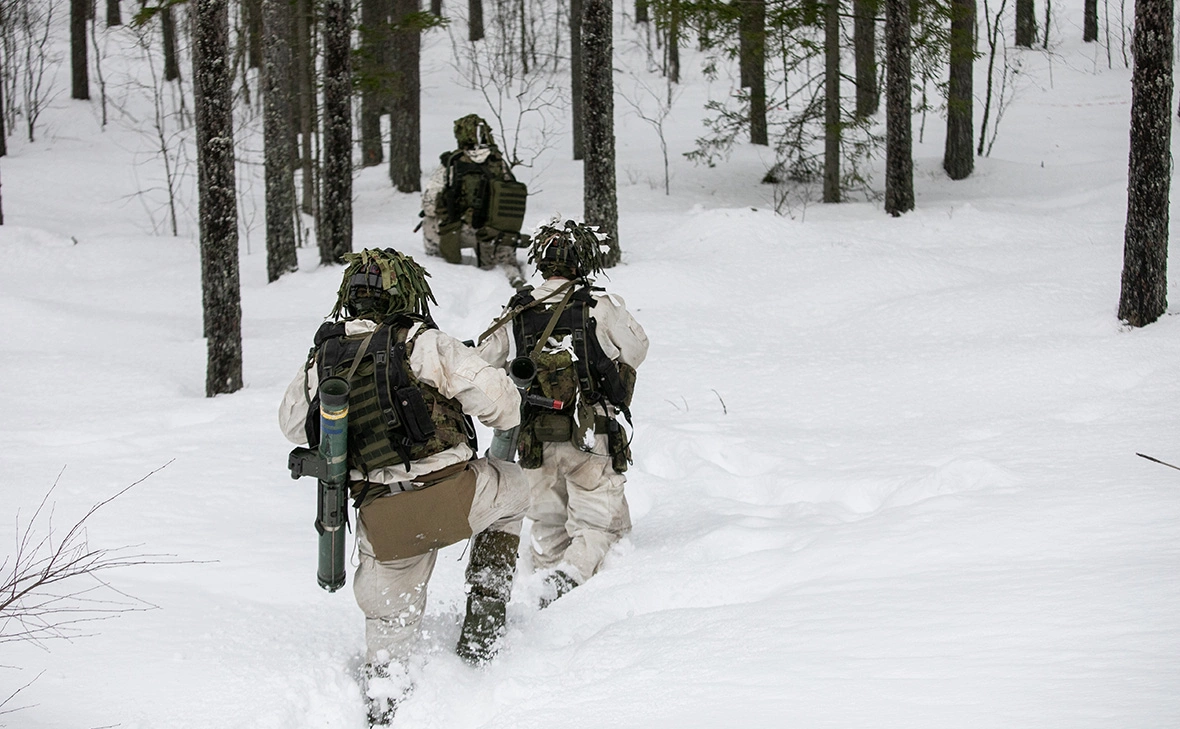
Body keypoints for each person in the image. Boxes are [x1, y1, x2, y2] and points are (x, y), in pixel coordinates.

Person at [278, 248, 529, 726]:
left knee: (390, 621)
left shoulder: (325, 355)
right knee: (515, 489)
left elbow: (292, 425)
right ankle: (485, 614)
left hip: (384, 521)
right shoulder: (423, 342)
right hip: (456, 497)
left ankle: (384, 702)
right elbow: (504, 406)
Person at [476, 219, 649, 607]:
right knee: (598, 523)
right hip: (592, 434)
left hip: (535, 438)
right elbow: (637, 350)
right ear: (583, 261)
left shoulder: (517, 310)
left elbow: (482, 364)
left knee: (547, 522)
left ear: (541, 262)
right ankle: (569, 582)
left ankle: (547, 588)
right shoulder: (599, 306)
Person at [420, 114, 529, 287]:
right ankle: (512, 275)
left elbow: (429, 204)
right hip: (495, 235)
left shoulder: (452, 163)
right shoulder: (498, 162)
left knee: (428, 222)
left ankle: (438, 264)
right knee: (503, 264)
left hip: (462, 232)